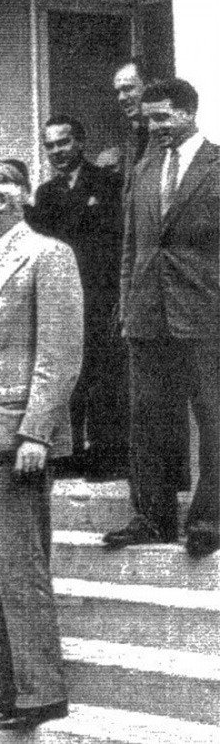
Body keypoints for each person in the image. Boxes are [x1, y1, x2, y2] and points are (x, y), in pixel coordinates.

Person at [0, 161, 83, 732]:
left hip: (13, 435)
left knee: (18, 567)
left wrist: (37, 432)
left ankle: (41, 688)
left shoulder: (48, 254)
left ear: (10, 200)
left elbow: (59, 352)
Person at [103, 79, 219, 558]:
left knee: (214, 417)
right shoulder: (145, 168)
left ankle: (210, 519)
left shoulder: (218, 164)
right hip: (149, 315)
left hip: (206, 313)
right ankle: (151, 518)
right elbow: (133, 247)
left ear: (189, 112)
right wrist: (128, 307)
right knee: (147, 419)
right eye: (149, 118)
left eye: (162, 117)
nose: (153, 126)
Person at [28, 115, 128, 480]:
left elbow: (121, 244)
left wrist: (121, 294)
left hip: (102, 297)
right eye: (50, 145)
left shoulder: (108, 184)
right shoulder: (46, 195)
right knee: (69, 376)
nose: (57, 151)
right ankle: (69, 453)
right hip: (63, 300)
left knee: (106, 376)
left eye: (64, 142)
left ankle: (108, 454)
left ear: (80, 142)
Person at [95, 59, 150, 191]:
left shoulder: (167, 138)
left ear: (149, 87)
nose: (121, 98)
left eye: (128, 88)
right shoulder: (123, 148)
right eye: (118, 92)